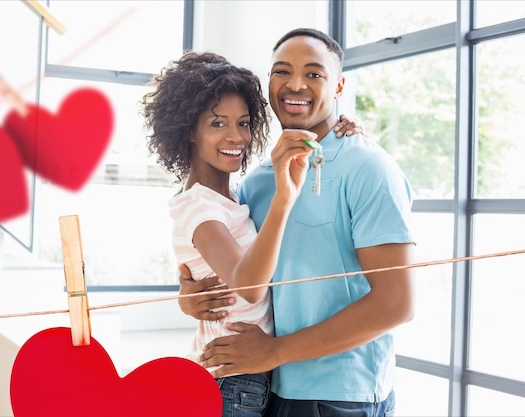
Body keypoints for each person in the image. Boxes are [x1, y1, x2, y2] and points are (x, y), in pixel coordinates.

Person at [178, 28, 416, 417]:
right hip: (266, 387)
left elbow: (397, 303)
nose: (296, 84)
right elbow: (244, 274)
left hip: (341, 397)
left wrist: (275, 351)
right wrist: (191, 296)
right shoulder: (256, 182)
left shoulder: (369, 168)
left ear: (338, 84)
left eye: (314, 73)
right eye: (282, 71)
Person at [141, 51, 362, 417]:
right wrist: (283, 200)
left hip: (239, 380)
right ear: (187, 131)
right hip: (229, 383)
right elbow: (249, 285)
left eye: (243, 123)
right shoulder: (201, 208)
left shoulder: (231, 195)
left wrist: (345, 125)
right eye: (217, 124)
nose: (236, 136)